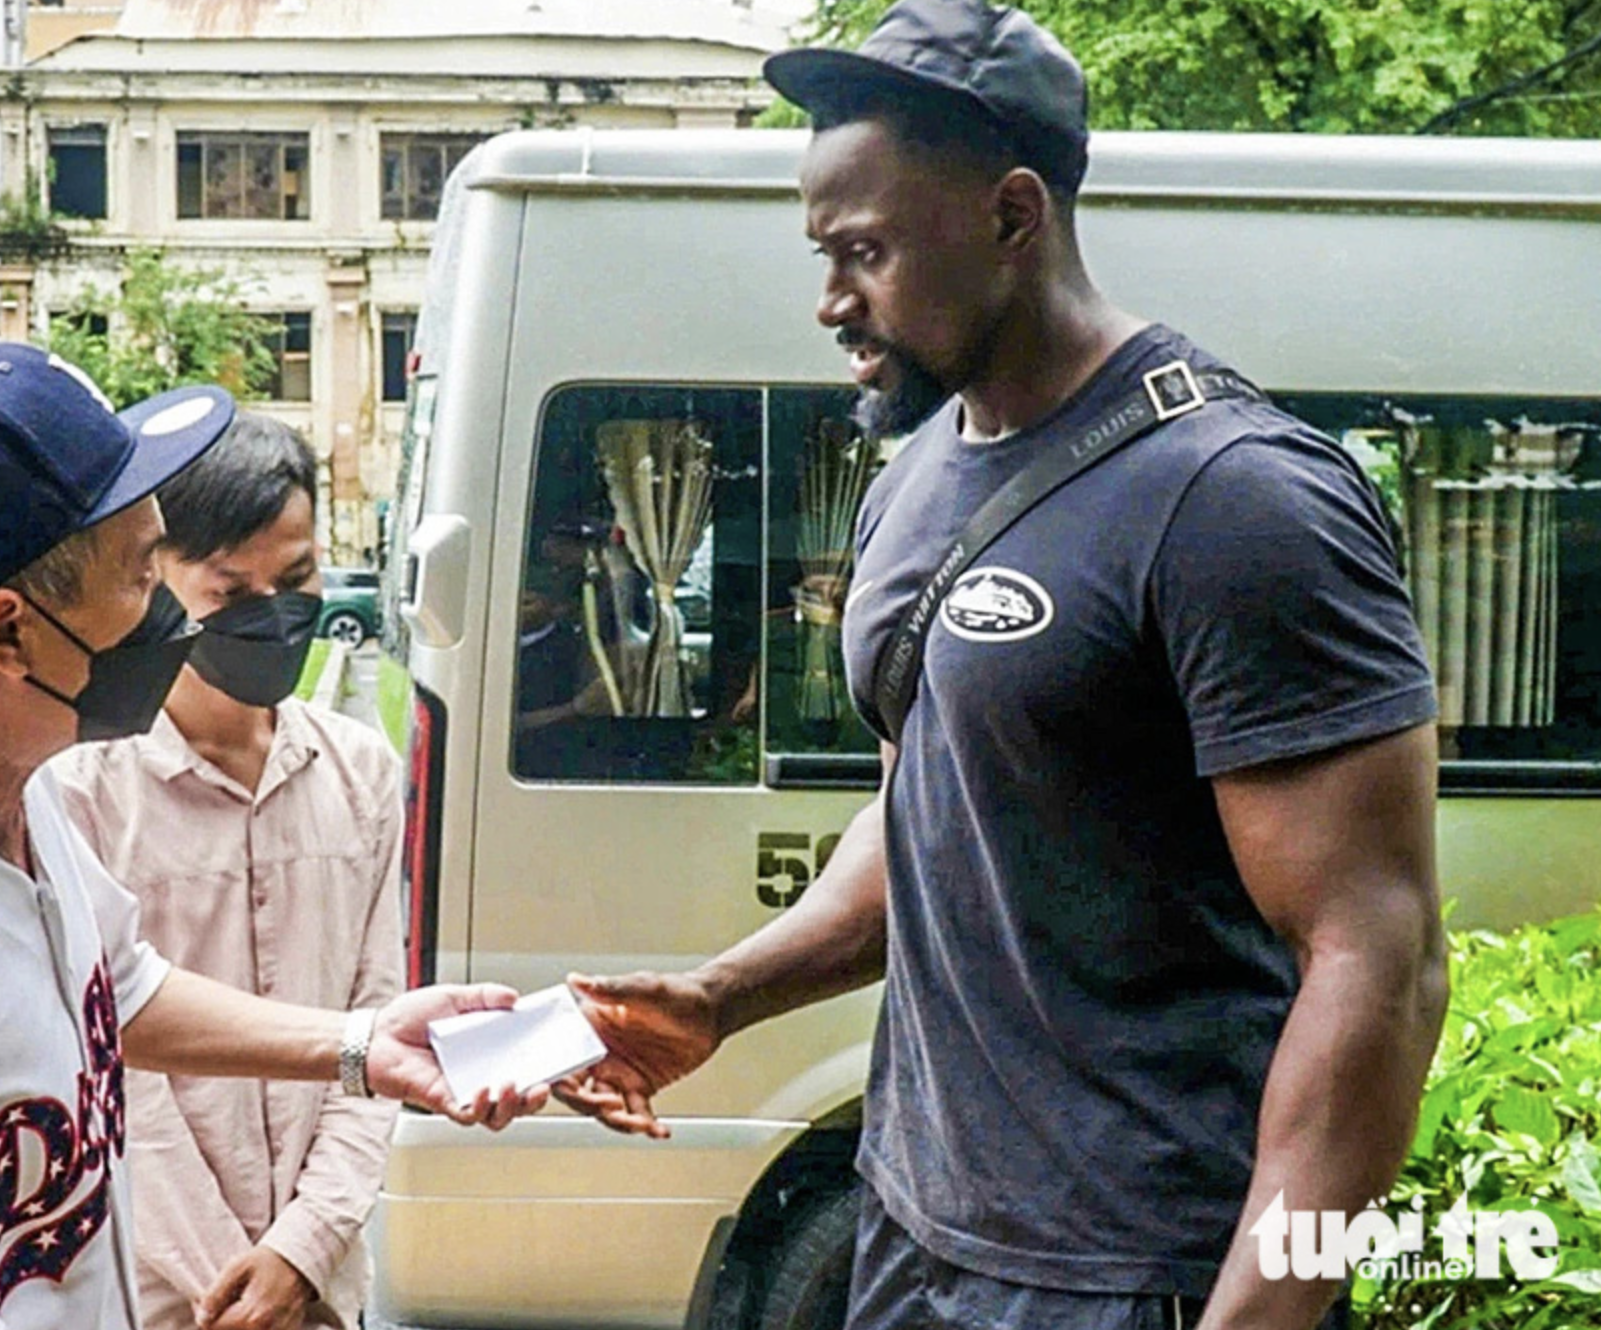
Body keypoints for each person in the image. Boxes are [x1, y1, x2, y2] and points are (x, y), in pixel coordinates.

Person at [555, 5, 1448, 1330]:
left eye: (863, 252)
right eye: (820, 252)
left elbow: (1374, 959)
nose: (828, 300)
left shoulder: (1232, 498)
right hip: (918, 1233)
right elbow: (928, 805)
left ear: (1013, 215)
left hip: (1138, 1271)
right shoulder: (912, 473)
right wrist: (720, 997)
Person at [0, 345, 540, 1330]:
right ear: (7, 634)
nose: (171, 619)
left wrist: (360, 1044)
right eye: (145, 576)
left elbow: (119, 985)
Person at [43, 412, 398, 1330]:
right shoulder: (81, 791)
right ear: (157, 579)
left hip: (320, 1293)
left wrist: (303, 1250)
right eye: (230, 589)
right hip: (158, 1294)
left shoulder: (363, 777)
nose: (271, 612)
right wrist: (232, 1284)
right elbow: (107, 1058)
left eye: (296, 579)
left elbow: (375, 1030)